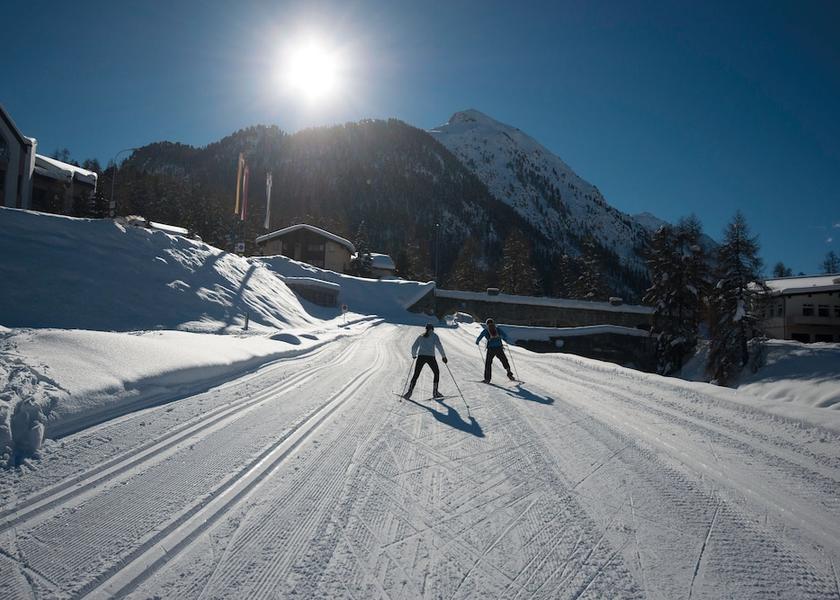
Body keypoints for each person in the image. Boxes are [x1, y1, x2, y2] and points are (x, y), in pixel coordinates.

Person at [405, 323, 448, 399]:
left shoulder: (421, 336)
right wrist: (443, 357)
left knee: (416, 374)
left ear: (426, 329)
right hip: (431, 357)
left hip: (421, 357)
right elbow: (439, 346)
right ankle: (435, 392)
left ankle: (409, 392)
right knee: (436, 373)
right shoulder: (434, 336)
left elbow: (414, 347)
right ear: (432, 329)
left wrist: (414, 355)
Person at [475, 318, 515, 383]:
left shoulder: (486, 330)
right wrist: (502, 338)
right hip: (499, 348)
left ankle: (487, 379)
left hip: (491, 349)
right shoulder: (498, 329)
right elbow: (505, 336)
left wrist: (477, 342)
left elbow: (480, 337)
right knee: (504, 360)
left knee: (488, 363)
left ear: (486, 324)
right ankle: (509, 374)